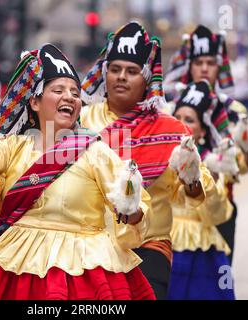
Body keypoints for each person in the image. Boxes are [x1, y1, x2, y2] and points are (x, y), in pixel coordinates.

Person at [0, 44, 156, 300]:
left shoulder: (95, 151)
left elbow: (135, 205)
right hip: (18, 265)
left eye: (74, 92)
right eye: (58, 90)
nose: (69, 97)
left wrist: (132, 211)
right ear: (35, 102)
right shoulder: (13, 147)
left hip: (82, 270)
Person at [80, 21, 219, 299]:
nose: (121, 77)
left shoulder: (171, 129)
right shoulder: (81, 121)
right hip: (90, 248)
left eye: (132, 71)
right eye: (115, 69)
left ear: (146, 80)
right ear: (105, 74)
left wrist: (191, 178)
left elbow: (197, 194)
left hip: (148, 249)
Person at [165, 25, 248, 264]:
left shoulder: (233, 111)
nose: (205, 68)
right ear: (189, 65)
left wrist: (247, 156)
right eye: (198, 62)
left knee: (219, 282)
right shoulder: (171, 108)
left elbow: (240, 166)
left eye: (210, 62)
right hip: (175, 213)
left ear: (220, 66)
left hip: (219, 209)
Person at [168, 80, 235, 300]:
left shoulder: (213, 165)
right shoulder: (157, 160)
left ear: (203, 131)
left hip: (205, 252)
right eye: (176, 118)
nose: (181, 124)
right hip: (167, 246)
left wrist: (204, 182)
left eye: (189, 120)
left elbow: (220, 213)